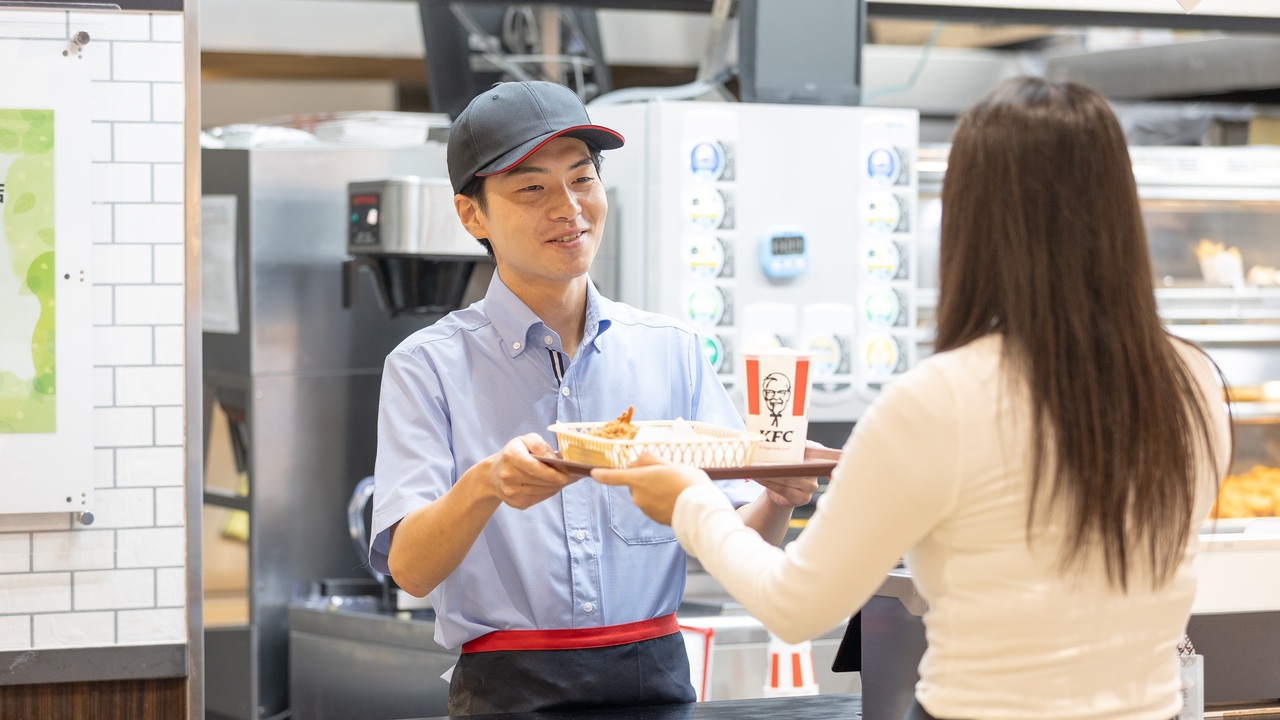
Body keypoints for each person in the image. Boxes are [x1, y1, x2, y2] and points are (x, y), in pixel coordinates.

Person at [594, 76, 1232, 720]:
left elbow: (795, 606)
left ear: (972, 220)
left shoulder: (941, 399)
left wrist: (689, 501)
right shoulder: (1195, 381)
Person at [368, 80, 817, 716]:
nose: (569, 207)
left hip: (657, 682)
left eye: (582, 179)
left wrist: (777, 496)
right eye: (532, 189)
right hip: (507, 690)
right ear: (472, 216)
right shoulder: (426, 366)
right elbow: (410, 570)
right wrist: (486, 484)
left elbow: (739, 553)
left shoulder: (672, 350)